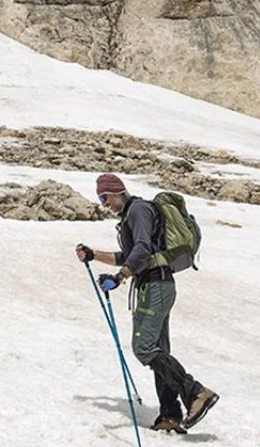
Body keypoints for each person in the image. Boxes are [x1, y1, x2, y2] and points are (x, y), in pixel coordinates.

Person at [75, 173, 219, 434]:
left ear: (118, 191)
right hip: (155, 285)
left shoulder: (138, 210)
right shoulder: (132, 215)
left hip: (155, 285)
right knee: (157, 349)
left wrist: (120, 277)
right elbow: (129, 255)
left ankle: (196, 393)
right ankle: (170, 414)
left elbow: (141, 250)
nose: (103, 203)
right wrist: (95, 255)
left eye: (105, 197)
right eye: (100, 199)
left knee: (143, 347)